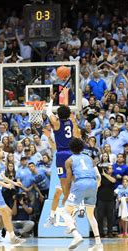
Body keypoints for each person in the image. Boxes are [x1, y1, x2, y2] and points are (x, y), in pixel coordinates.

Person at [44, 90, 81, 227]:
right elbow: (77, 135)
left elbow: (48, 113)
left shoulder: (57, 123)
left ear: (58, 115)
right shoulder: (72, 122)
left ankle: (71, 210)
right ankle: (74, 208)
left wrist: (51, 100)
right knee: (70, 186)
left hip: (61, 155)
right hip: (71, 154)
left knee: (65, 188)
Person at [62, 137, 102, 249]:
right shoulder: (88, 158)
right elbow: (94, 170)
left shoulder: (69, 160)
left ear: (70, 148)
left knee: (65, 212)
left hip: (81, 183)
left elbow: (69, 180)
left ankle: (76, 235)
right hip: (93, 183)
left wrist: (66, 195)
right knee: (90, 215)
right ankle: (99, 244)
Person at [0, 146, 25, 247]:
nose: (2, 152)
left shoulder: (2, 164)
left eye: (2, 150)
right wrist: (5, 185)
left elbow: (3, 177)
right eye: (0, 150)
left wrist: (14, 183)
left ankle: (12, 237)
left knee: (7, 212)